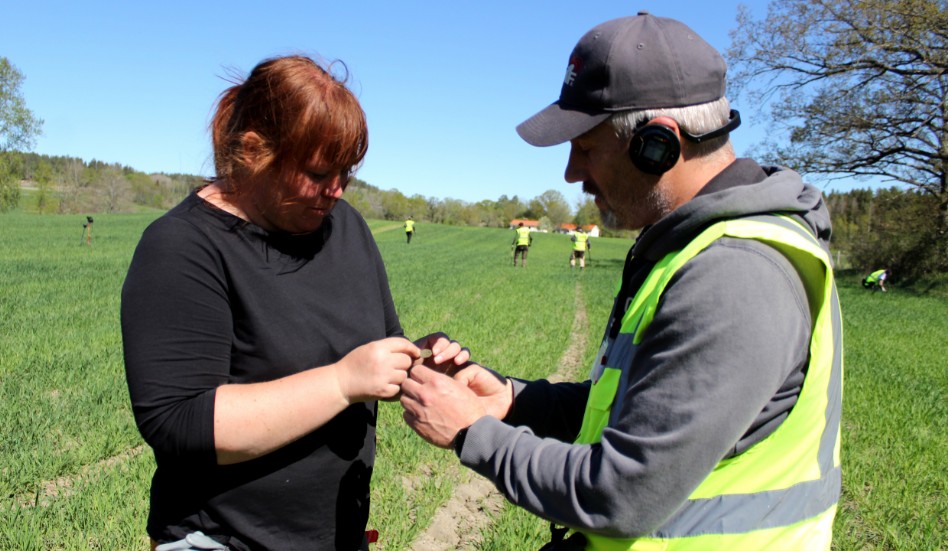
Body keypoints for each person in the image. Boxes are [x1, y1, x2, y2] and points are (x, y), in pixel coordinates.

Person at [401, 13, 843, 550]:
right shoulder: (687, 249)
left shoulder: (735, 272)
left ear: (656, 144)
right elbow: (636, 409)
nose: (570, 174)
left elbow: (623, 494)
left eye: (585, 147)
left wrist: (473, 431)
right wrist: (511, 401)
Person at [121, 55, 467, 551]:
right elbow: (180, 423)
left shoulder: (345, 228)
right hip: (223, 540)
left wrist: (417, 361)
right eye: (318, 171)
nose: (337, 189)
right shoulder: (183, 247)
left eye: (346, 171)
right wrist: (343, 381)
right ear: (255, 151)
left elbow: (379, 342)